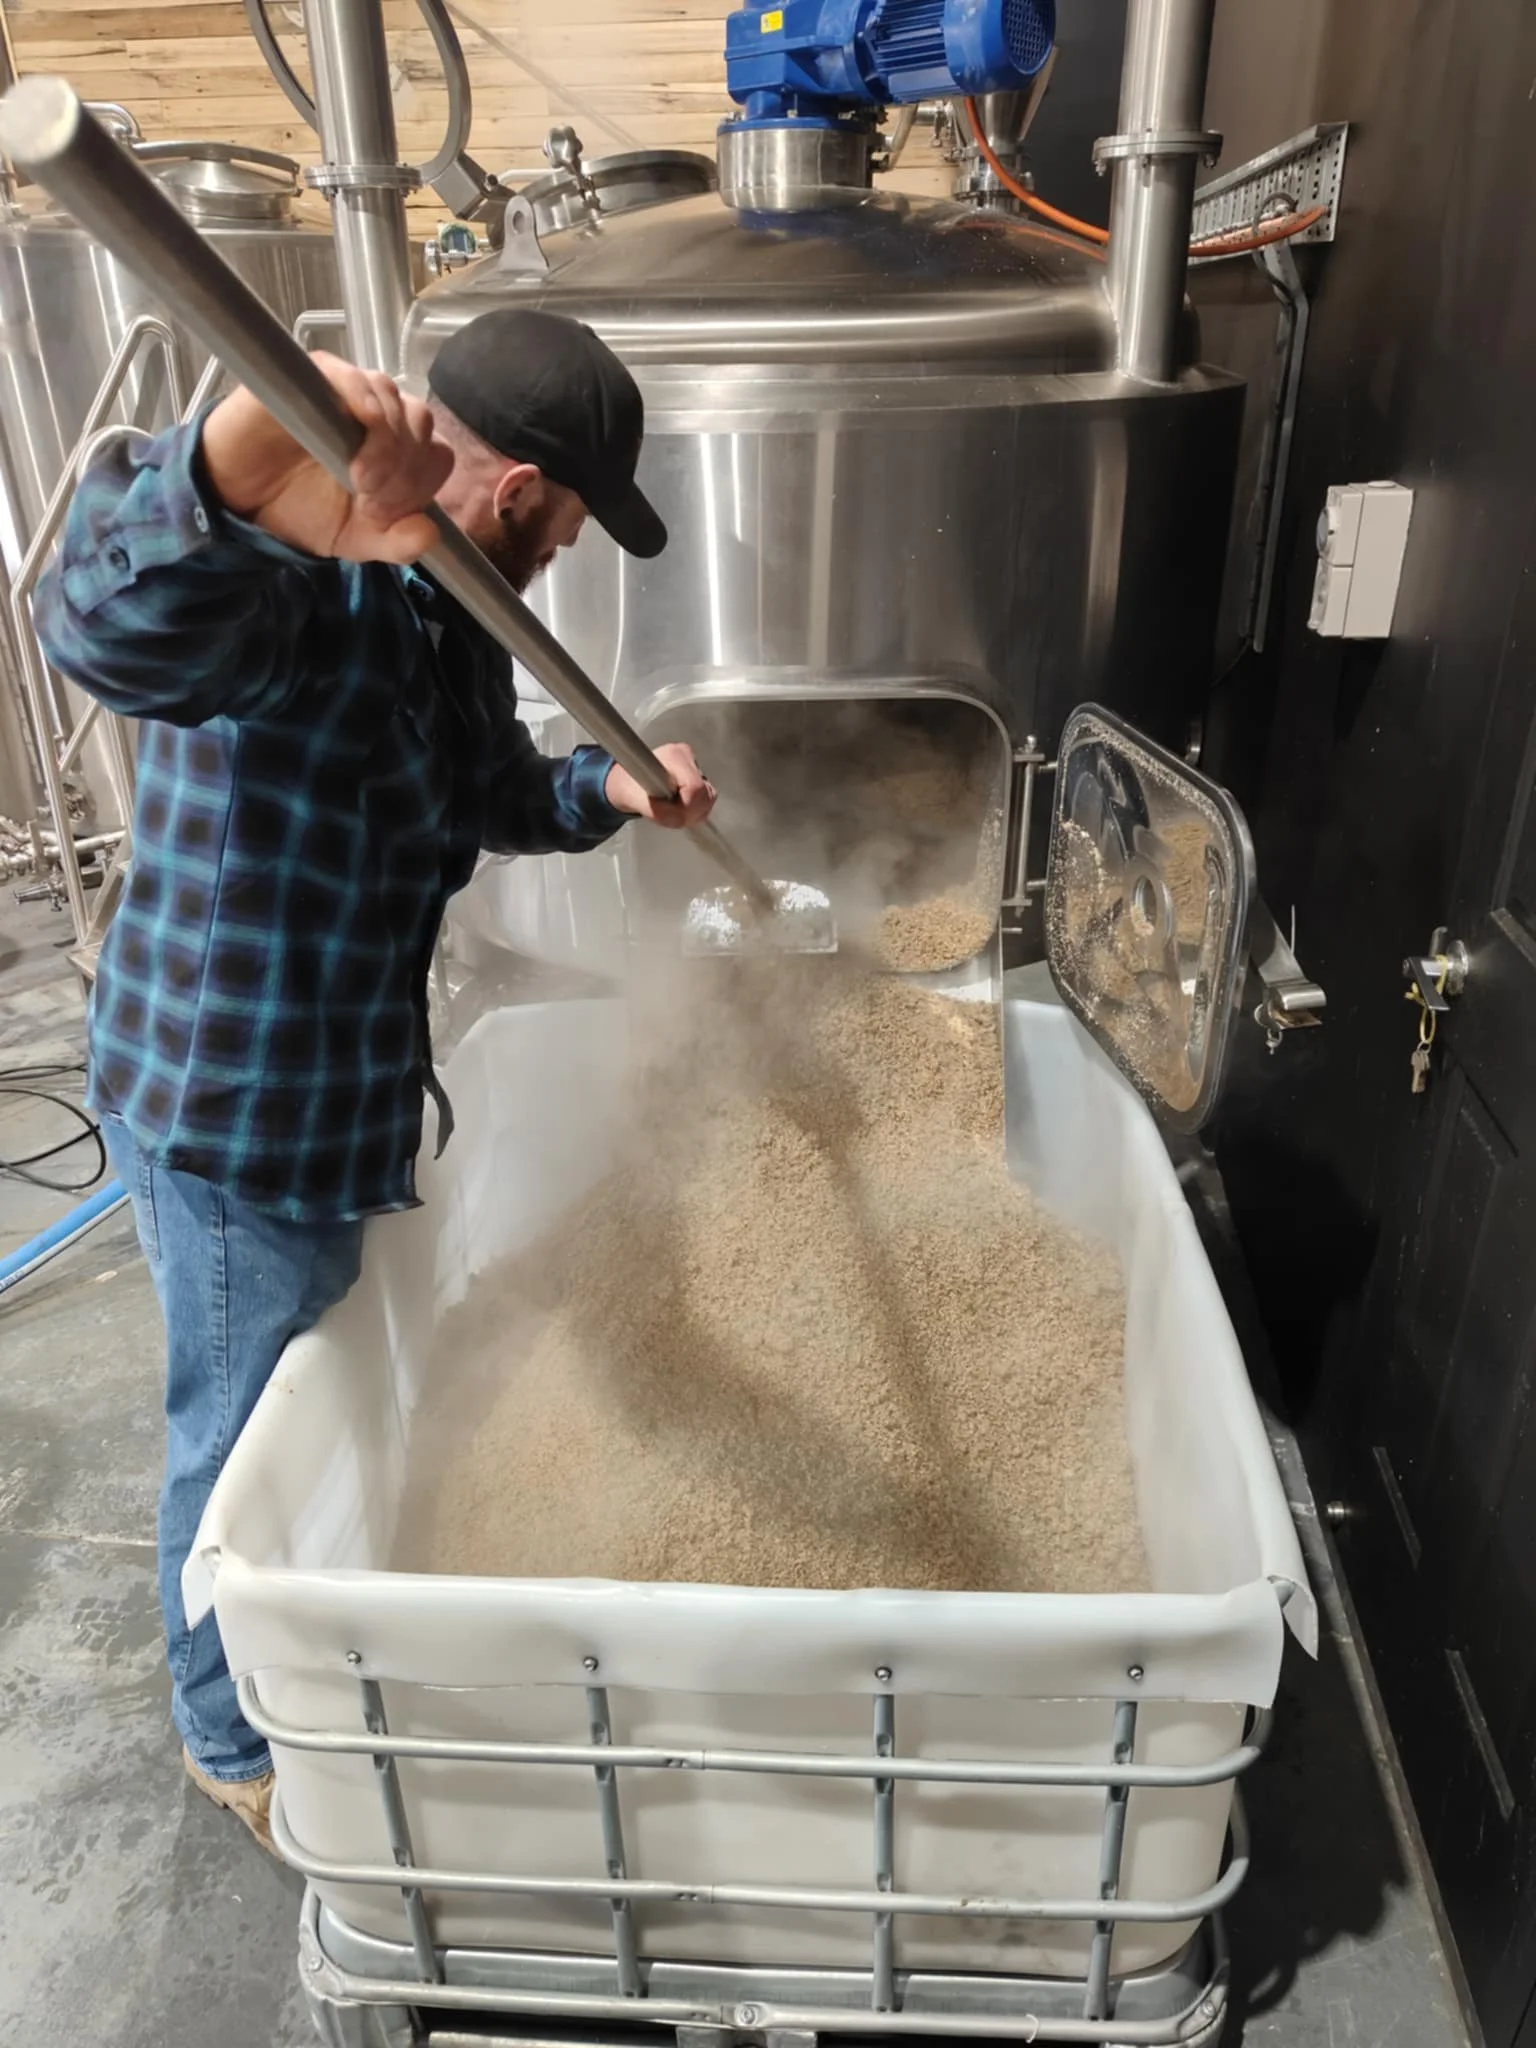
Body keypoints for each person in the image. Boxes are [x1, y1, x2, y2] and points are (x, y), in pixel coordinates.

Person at [34, 306, 715, 1852]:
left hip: (334, 1099)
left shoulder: (448, 608)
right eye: (570, 523)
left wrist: (601, 791)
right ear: (524, 488)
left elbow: (474, 789)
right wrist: (217, 479)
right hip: (231, 1107)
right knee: (238, 1425)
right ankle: (230, 1739)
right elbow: (105, 628)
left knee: (302, 1383)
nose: (562, 554)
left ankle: (335, 1607)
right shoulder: (313, 581)